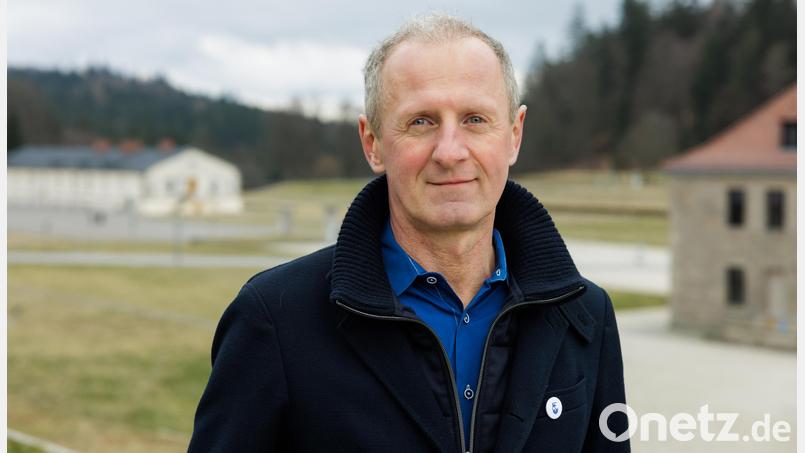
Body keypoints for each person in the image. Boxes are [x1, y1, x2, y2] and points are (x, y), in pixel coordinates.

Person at [189, 13, 629, 453]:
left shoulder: (585, 315)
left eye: (475, 119)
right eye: (421, 122)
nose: (450, 152)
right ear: (372, 143)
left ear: (514, 135)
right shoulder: (275, 319)